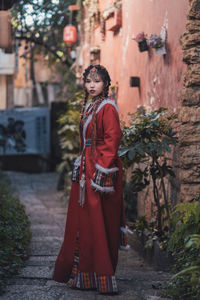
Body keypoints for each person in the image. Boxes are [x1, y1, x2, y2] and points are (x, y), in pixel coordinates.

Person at [53, 64, 129, 294]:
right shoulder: (90, 107)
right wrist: (83, 161)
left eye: (97, 81)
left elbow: (113, 138)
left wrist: (101, 169)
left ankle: (103, 275)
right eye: (88, 81)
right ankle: (84, 276)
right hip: (86, 167)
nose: (92, 85)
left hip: (99, 172)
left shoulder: (107, 107)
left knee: (98, 222)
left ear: (106, 83)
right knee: (83, 222)